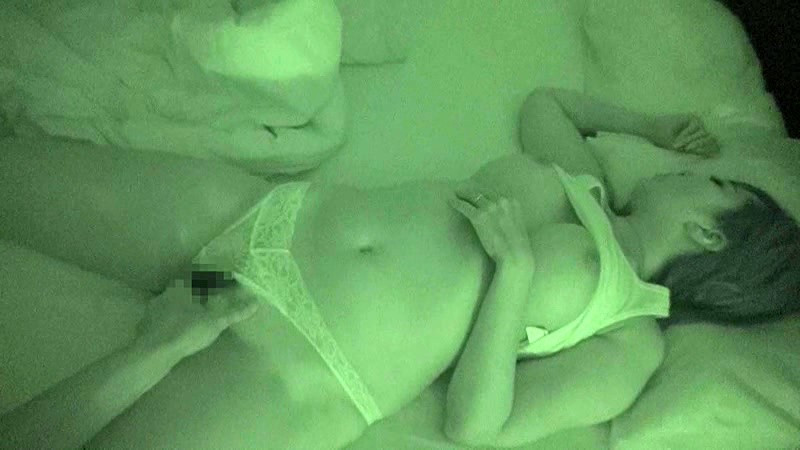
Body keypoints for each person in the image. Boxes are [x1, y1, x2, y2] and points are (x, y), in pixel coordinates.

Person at [1, 89, 798, 449]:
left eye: (715, 182)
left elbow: (479, 427)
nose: (691, 169)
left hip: (303, 363)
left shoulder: (631, 339)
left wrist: (513, 275)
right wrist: (647, 123)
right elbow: (546, 106)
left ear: (710, 233)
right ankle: (158, 342)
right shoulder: (585, 183)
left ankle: (154, 349)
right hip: (263, 222)